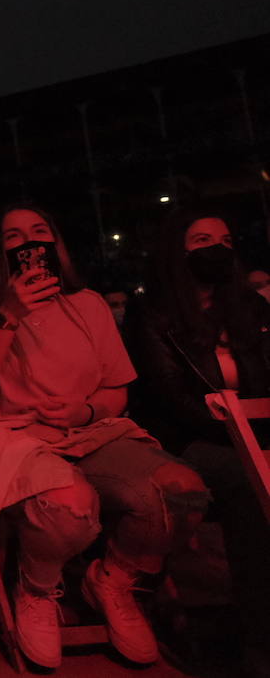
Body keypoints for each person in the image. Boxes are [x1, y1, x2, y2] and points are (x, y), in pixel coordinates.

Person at [0, 203, 207, 670]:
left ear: (56, 245)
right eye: (14, 237)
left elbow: (117, 390)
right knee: (68, 504)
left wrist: (86, 409)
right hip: (13, 438)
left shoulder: (89, 304)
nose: (30, 243)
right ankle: (37, 587)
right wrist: (9, 313)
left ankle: (113, 580)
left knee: (184, 494)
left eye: (40, 232)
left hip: (89, 432)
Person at [127, 208, 270, 675]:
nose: (217, 250)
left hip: (255, 433)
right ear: (178, 251)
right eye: (202, 241)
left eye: (225, 241)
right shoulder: (153, 314)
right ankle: (259, 639)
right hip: (186, 439)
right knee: (246, 480)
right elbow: (170, 398)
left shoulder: (252, 309)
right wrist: (243, 436)